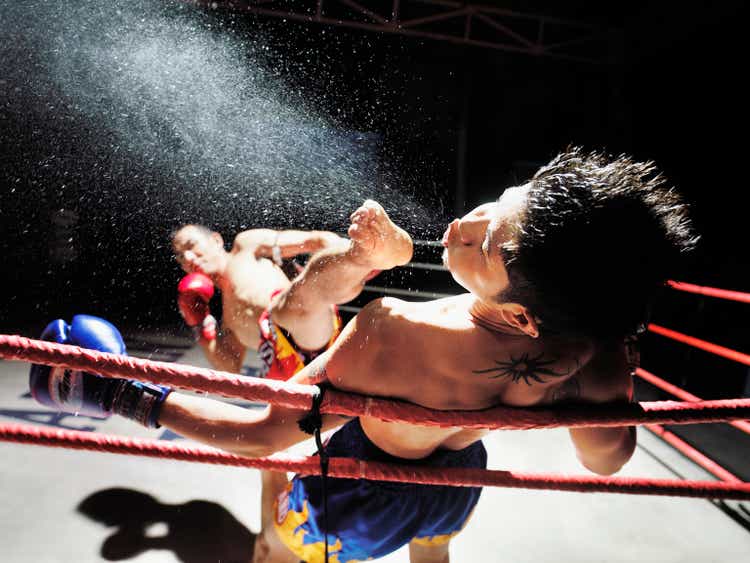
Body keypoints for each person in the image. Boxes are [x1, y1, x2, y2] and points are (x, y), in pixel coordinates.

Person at [31, 148, 697, 563]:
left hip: (354, 499)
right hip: (455, 479)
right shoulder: (587, 349)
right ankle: (358, 263)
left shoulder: (394, 331)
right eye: (497, 200)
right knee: (434, 538)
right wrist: (615, 355)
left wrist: (124, 394)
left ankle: (358, 263)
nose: (465, 222)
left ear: (524, 311)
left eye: (487, 238)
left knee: (275, 546)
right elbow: (606, 458)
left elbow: (261, 435)